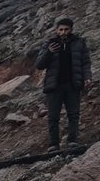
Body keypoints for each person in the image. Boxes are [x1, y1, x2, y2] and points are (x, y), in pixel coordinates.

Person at [35, 17, 92, 151]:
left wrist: (88, 77)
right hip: (54, 86)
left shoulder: (79, 43)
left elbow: (85, 62)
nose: (63, 32)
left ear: (71, 29)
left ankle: (72, 141)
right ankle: (54, 144)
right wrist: (49, 52)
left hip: (73, 84)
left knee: (74, 114)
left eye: (66, 29)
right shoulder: (49, 43)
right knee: (53, 116)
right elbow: (39, 65)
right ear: (56, 30)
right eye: (61, 29)